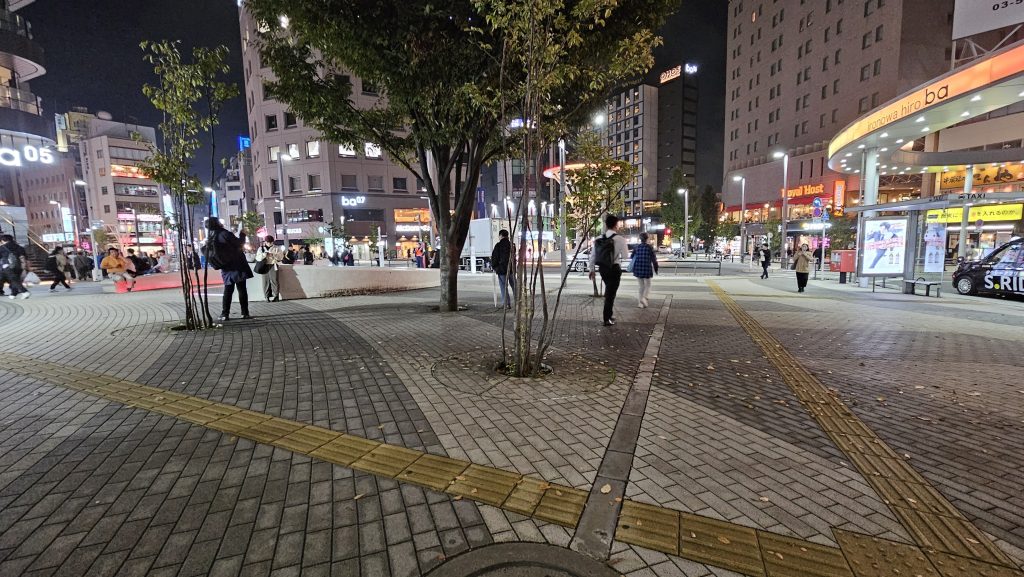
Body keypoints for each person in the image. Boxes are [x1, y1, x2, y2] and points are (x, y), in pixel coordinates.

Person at [205, 218, 253, 321]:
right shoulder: (225, 234)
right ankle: (244, 313)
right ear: (217, 224)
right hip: (237, 264)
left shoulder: (212, 236)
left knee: (228, 290)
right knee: (242, 289)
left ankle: (224, 314)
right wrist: (242, 234)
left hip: (225, 266)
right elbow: (239, 244)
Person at [589, 214, 629, 326]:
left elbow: (593, 256)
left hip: (603, 269)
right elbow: (625, 256)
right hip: (614, 268)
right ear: (616, 225)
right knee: (610, 294)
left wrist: (591, 270)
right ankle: (606, 319)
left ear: (606, 225)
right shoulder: (620, 239)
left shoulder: (598, 239)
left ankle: (610, 314)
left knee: (609, 291)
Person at [630, 232, 658, 308]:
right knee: (648, 285)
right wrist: (656, 268)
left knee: (641, 286)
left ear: (640, 239)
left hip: (638, 268)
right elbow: (654, 259)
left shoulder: (636, 247)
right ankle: (644, 298)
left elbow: (632, 257)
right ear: (647, 238)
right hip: (646, 267)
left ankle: (640, 303)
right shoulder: (649, 247)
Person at [255, 235, 285, 302]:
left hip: (273, 265)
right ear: (265, 242)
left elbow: (281, 257)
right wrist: (264, 254)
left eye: (271, 242)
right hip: (264, 266)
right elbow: (258, 258)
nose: (269, 243)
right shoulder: (261, 248)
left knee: (274, 281)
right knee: (265, 282)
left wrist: (274, 255)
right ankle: (266, 296)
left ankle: (276, 296)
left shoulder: (276, 248)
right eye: (268, 242)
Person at [0, 234, 29, 299]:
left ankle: (24, 292)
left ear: (3, 240)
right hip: (19, 266)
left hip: (7, 266)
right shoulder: (20, 247)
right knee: (15, 279)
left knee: (13, 280)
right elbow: (25, 257)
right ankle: (13, 294)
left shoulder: (2, 248)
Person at [490, 229, 514, 308]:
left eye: (499, 236)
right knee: (514, 286)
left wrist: (495, 267)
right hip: (511, 269)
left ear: (501, 235)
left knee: (504, 287)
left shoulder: (498, 245)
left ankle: (506, 304)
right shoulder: (512, 245)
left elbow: (494, 258)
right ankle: (519, 302)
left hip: (502, 270)